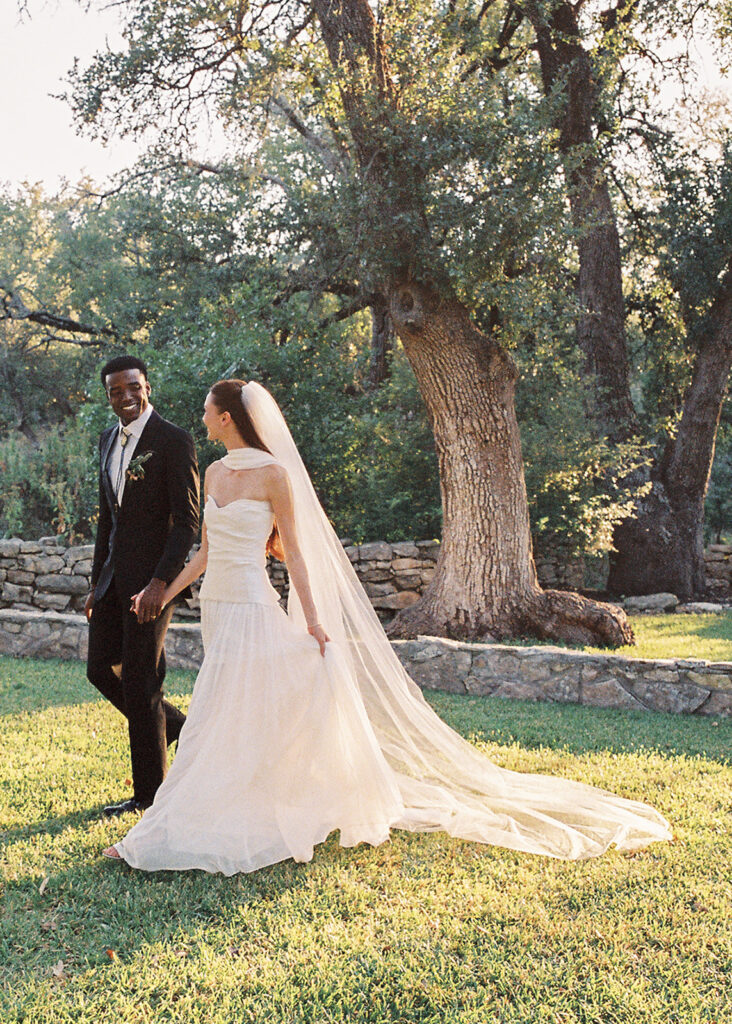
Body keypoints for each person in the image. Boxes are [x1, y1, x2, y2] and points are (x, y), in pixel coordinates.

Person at [103, 379, 672, 872]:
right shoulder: (217, 470)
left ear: (226, 418)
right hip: (218, 609)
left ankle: (185, 819)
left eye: (207, 409)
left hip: (253, 604)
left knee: (221, 708)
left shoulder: (274, 474)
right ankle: (237, 796)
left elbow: (296, 554)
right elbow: (204, 553)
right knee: (230, 706)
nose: (201, 416)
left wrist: (317, 621)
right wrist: (161, 591)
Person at [86, 355, 200, 816]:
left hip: (154, 583)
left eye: (133, 387)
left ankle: (150, 797)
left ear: (147, 386)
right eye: (116, 391)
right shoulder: (107, 440)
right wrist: (96, 583)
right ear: (108, 395)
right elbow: (106, 521)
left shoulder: (173, 440)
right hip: (114, 579)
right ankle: (179, 729)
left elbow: (187, 523)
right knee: (99, 669)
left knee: (140, 679)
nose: (126, 397)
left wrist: (159, 584)